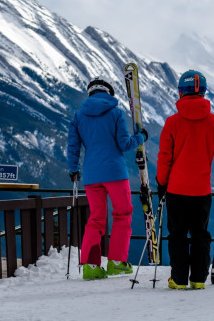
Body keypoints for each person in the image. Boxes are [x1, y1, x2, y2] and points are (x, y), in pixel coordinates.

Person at [156, 69, 214, 290]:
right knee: (200, 235)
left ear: (180, 92)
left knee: (177, 235)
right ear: (204, 93)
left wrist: (161, 183)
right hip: (201, 191)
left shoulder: (172, 123)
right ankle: (198, 279)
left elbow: (164, 157)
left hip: (176, 191)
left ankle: (178, 280)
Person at [67, 76, 148, 280]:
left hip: (92, 176)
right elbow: (124, 144)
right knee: (122, 215)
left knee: (96, 219)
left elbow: (73, 147)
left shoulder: (79, 116)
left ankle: (90, 266)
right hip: (115, 173)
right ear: (108, 93)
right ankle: (117, 263)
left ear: (90, 93)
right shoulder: (115, 113)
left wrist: (73, 169)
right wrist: (141, 137)